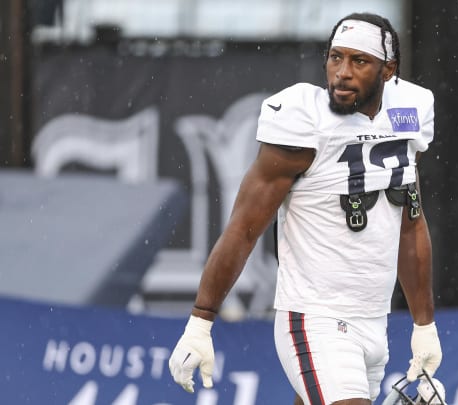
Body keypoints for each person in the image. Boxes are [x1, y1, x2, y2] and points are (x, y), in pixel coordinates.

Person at [168, 12, 443, 405]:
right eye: (335, 57)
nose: (342, 72)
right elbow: (244, 227)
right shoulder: (304, 121)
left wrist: (424, 324)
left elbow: (410, 224)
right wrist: (200, 319)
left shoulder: (411, 110)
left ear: (388, 70)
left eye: (359, 61)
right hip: (315, 318)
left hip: (373, 322)